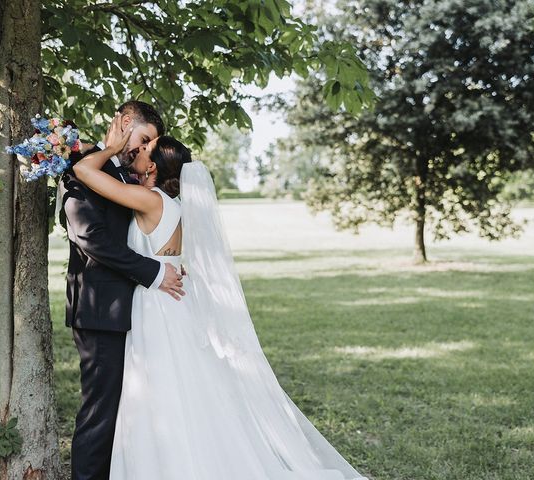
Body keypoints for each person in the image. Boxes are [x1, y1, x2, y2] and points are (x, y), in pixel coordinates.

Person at [72, 112, 369, 480]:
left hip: (155, 306)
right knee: (181, 392)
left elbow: (84, 173)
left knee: (157, 393)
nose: (140, 151)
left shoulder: (150, 201)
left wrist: (109, 149)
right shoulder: (176, 207)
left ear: (156, 168)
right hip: (173, 304)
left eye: (148, 148)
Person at [59, 101, 185, 480]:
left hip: (134, 312)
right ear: (125, 122)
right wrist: (154, 272)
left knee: (125, 412)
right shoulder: (81, 165)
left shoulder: (132, 177)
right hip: (99, 311)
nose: (142, 149)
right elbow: (89, 237)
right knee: (100, 415)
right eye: (143, 138)